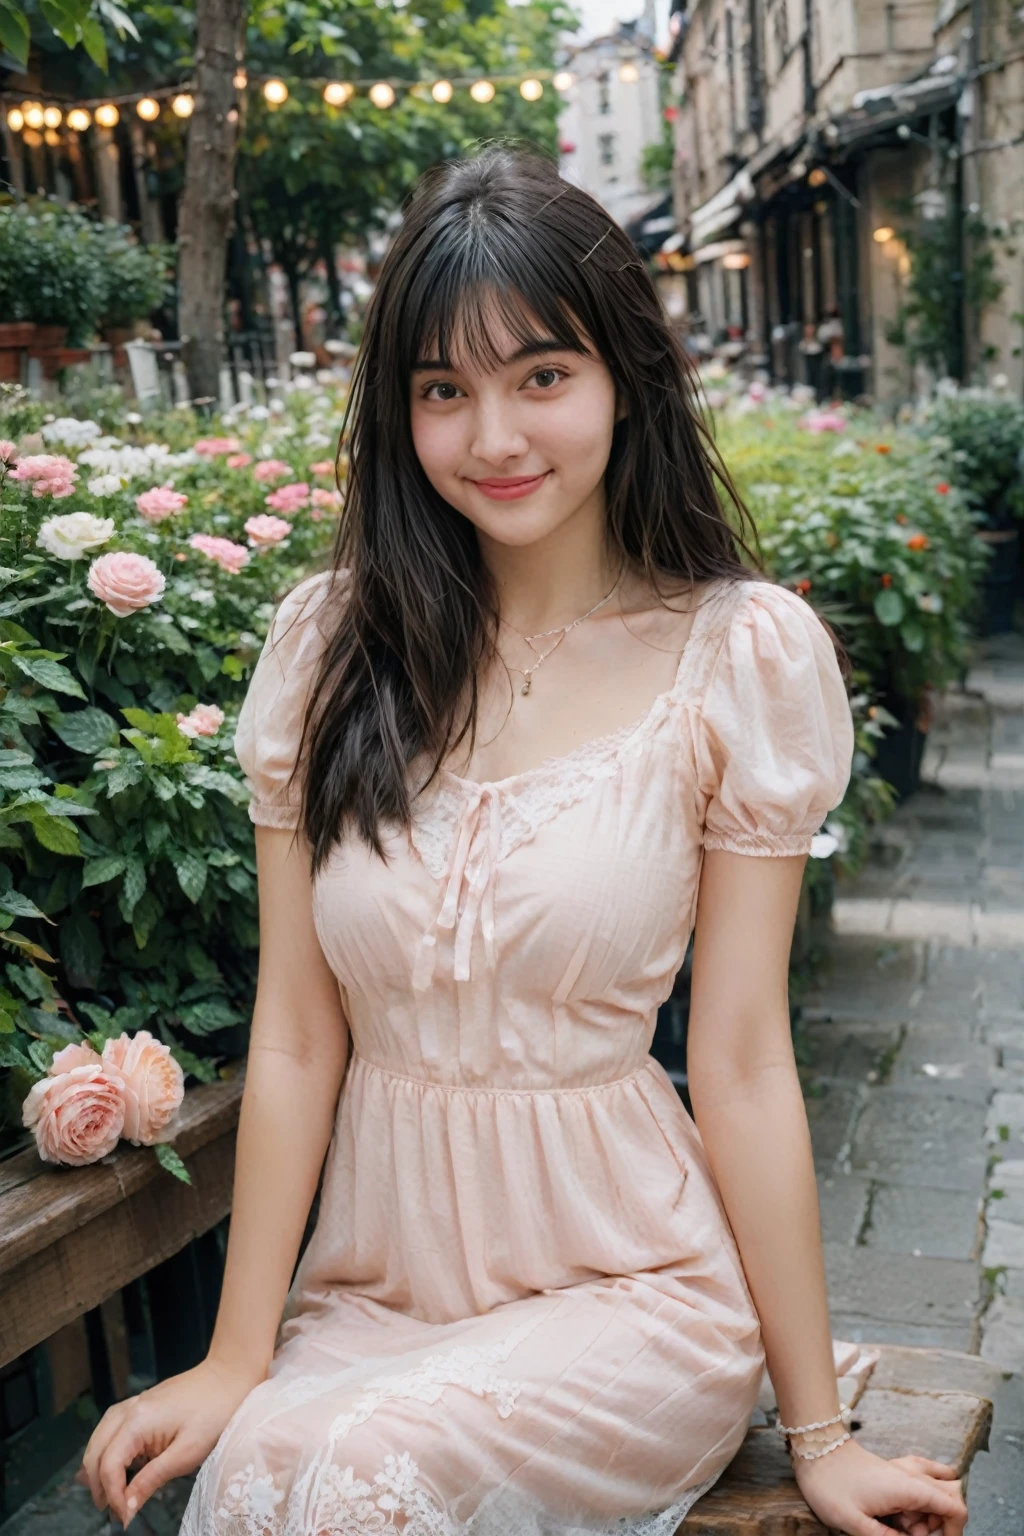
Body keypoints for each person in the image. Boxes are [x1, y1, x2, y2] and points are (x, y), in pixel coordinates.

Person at [78, 148, 969, 1536]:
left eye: (541, 375)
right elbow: (303, 1035)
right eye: (445, 390)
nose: (494, 437)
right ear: (402, 414)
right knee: (266, 1471)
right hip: (380, 1296)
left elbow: (738, 1066)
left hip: (631, 1291)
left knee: (370, 1480)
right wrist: (239, 1356)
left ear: (626, 377)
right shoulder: (330, 652)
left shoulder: (732, 658)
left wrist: (820, 1434)